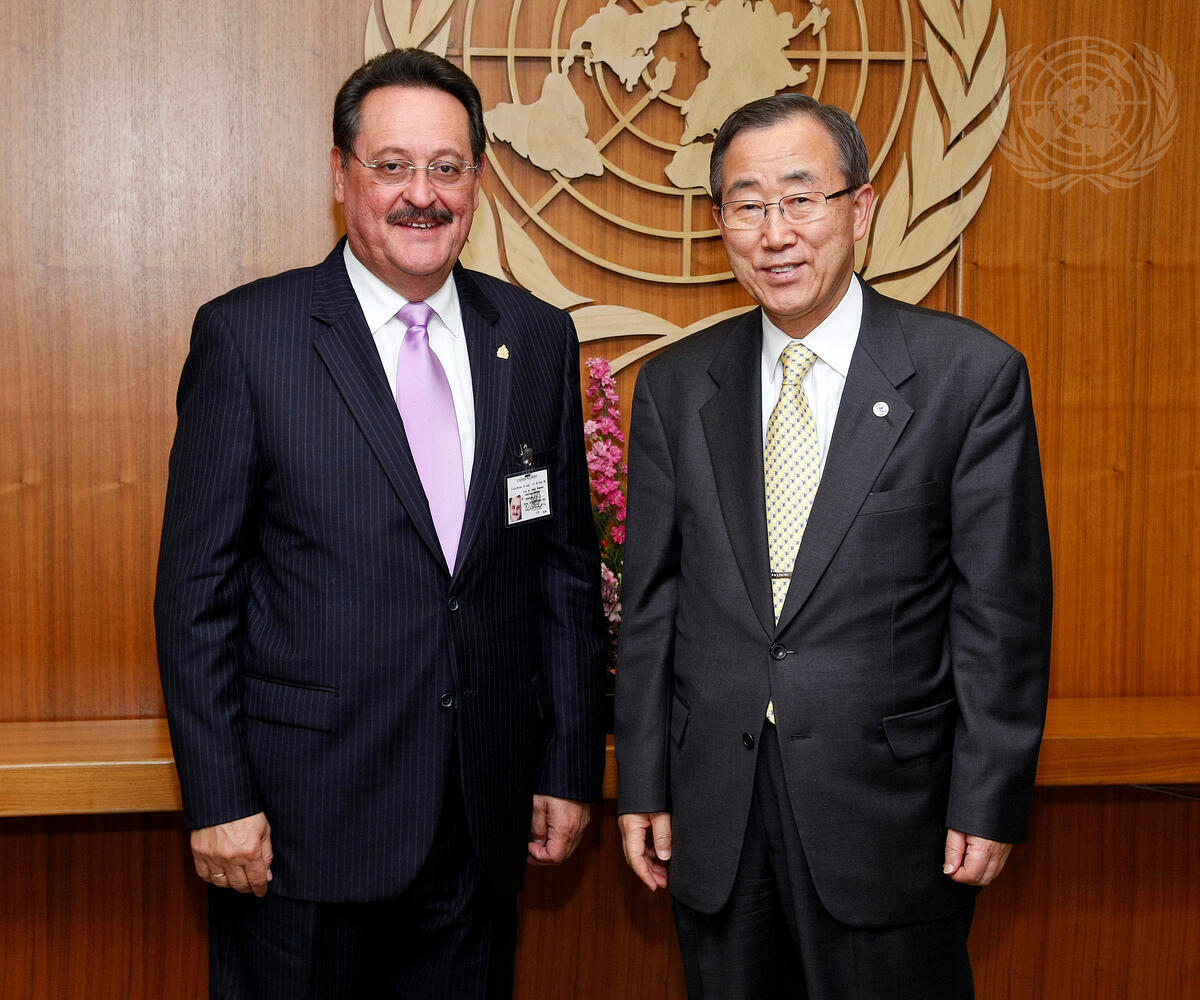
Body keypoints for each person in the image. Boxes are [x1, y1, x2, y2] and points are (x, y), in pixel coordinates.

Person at [154, 47, 606, 999]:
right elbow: (197, 594)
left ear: (477, 180)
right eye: (392, 166)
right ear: (340, 174)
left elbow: (562, 572)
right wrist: (219, 796)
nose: (422, 195)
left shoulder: (534, 337)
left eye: (447, 168)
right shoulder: (250, 337)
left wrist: (566, 763)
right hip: (298, 828)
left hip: (478, 824)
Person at [615, 93, 1052, 999]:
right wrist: (643, 783)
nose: (774, 233)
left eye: (801, 198)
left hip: (892, 812)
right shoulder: (675, 388)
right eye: (747, 204)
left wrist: (989, 796)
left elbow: (1000, 615)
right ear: (721, 223)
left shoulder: (970, 378)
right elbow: (654, 607)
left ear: (860, 208)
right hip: (718, 806)